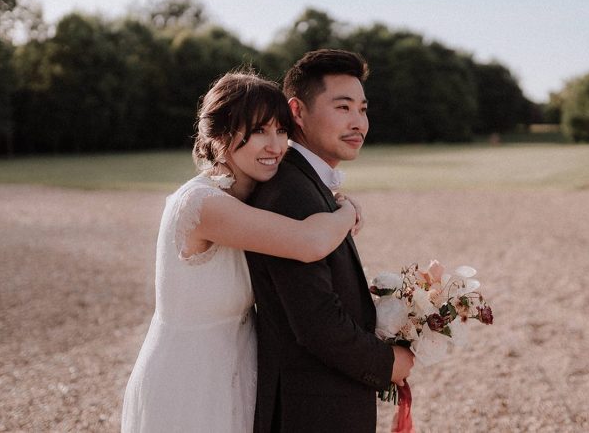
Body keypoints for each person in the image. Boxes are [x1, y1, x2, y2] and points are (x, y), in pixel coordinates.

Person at [121, 70, 363, 433]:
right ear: (220, 136)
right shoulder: (202, 203)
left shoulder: (250, 199)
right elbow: (308, 243)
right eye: (259, 131)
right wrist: (346, 210)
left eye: (281, 131)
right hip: (192, 378)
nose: (275, 146)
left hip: (240, 371)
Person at [245, 49, 415, 433]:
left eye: (363, 109)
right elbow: (316, 322)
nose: (359, 122)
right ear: (297, 112)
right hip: (309, 412)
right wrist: (389, 363)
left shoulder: (308, 183)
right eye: (343, 107)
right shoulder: (291, 193)